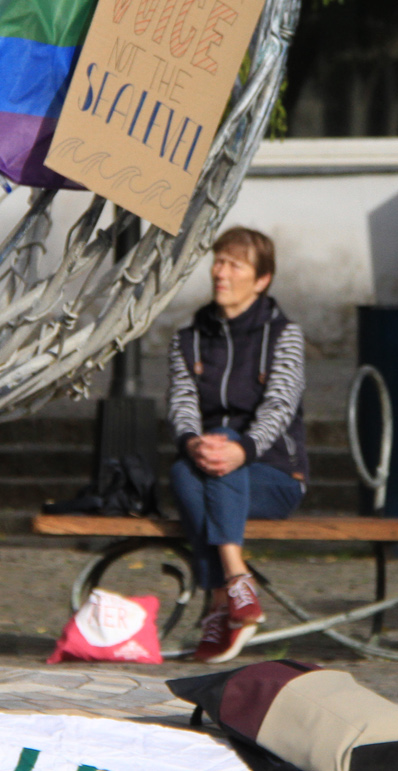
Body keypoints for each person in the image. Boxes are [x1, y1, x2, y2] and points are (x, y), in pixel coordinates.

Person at [166, 226, 307, 664]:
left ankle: (221, 593)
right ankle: (233, 590)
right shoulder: (187, 339)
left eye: (234, 264)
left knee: (213, 453)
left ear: (261, 279)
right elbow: (182, 405)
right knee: (182, 468)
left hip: (276, 473)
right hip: (206, 466)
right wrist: (193, 444)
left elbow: (280, 405)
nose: (219, 272)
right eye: (218, 261)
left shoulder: (284, 335)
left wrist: (240, 448)